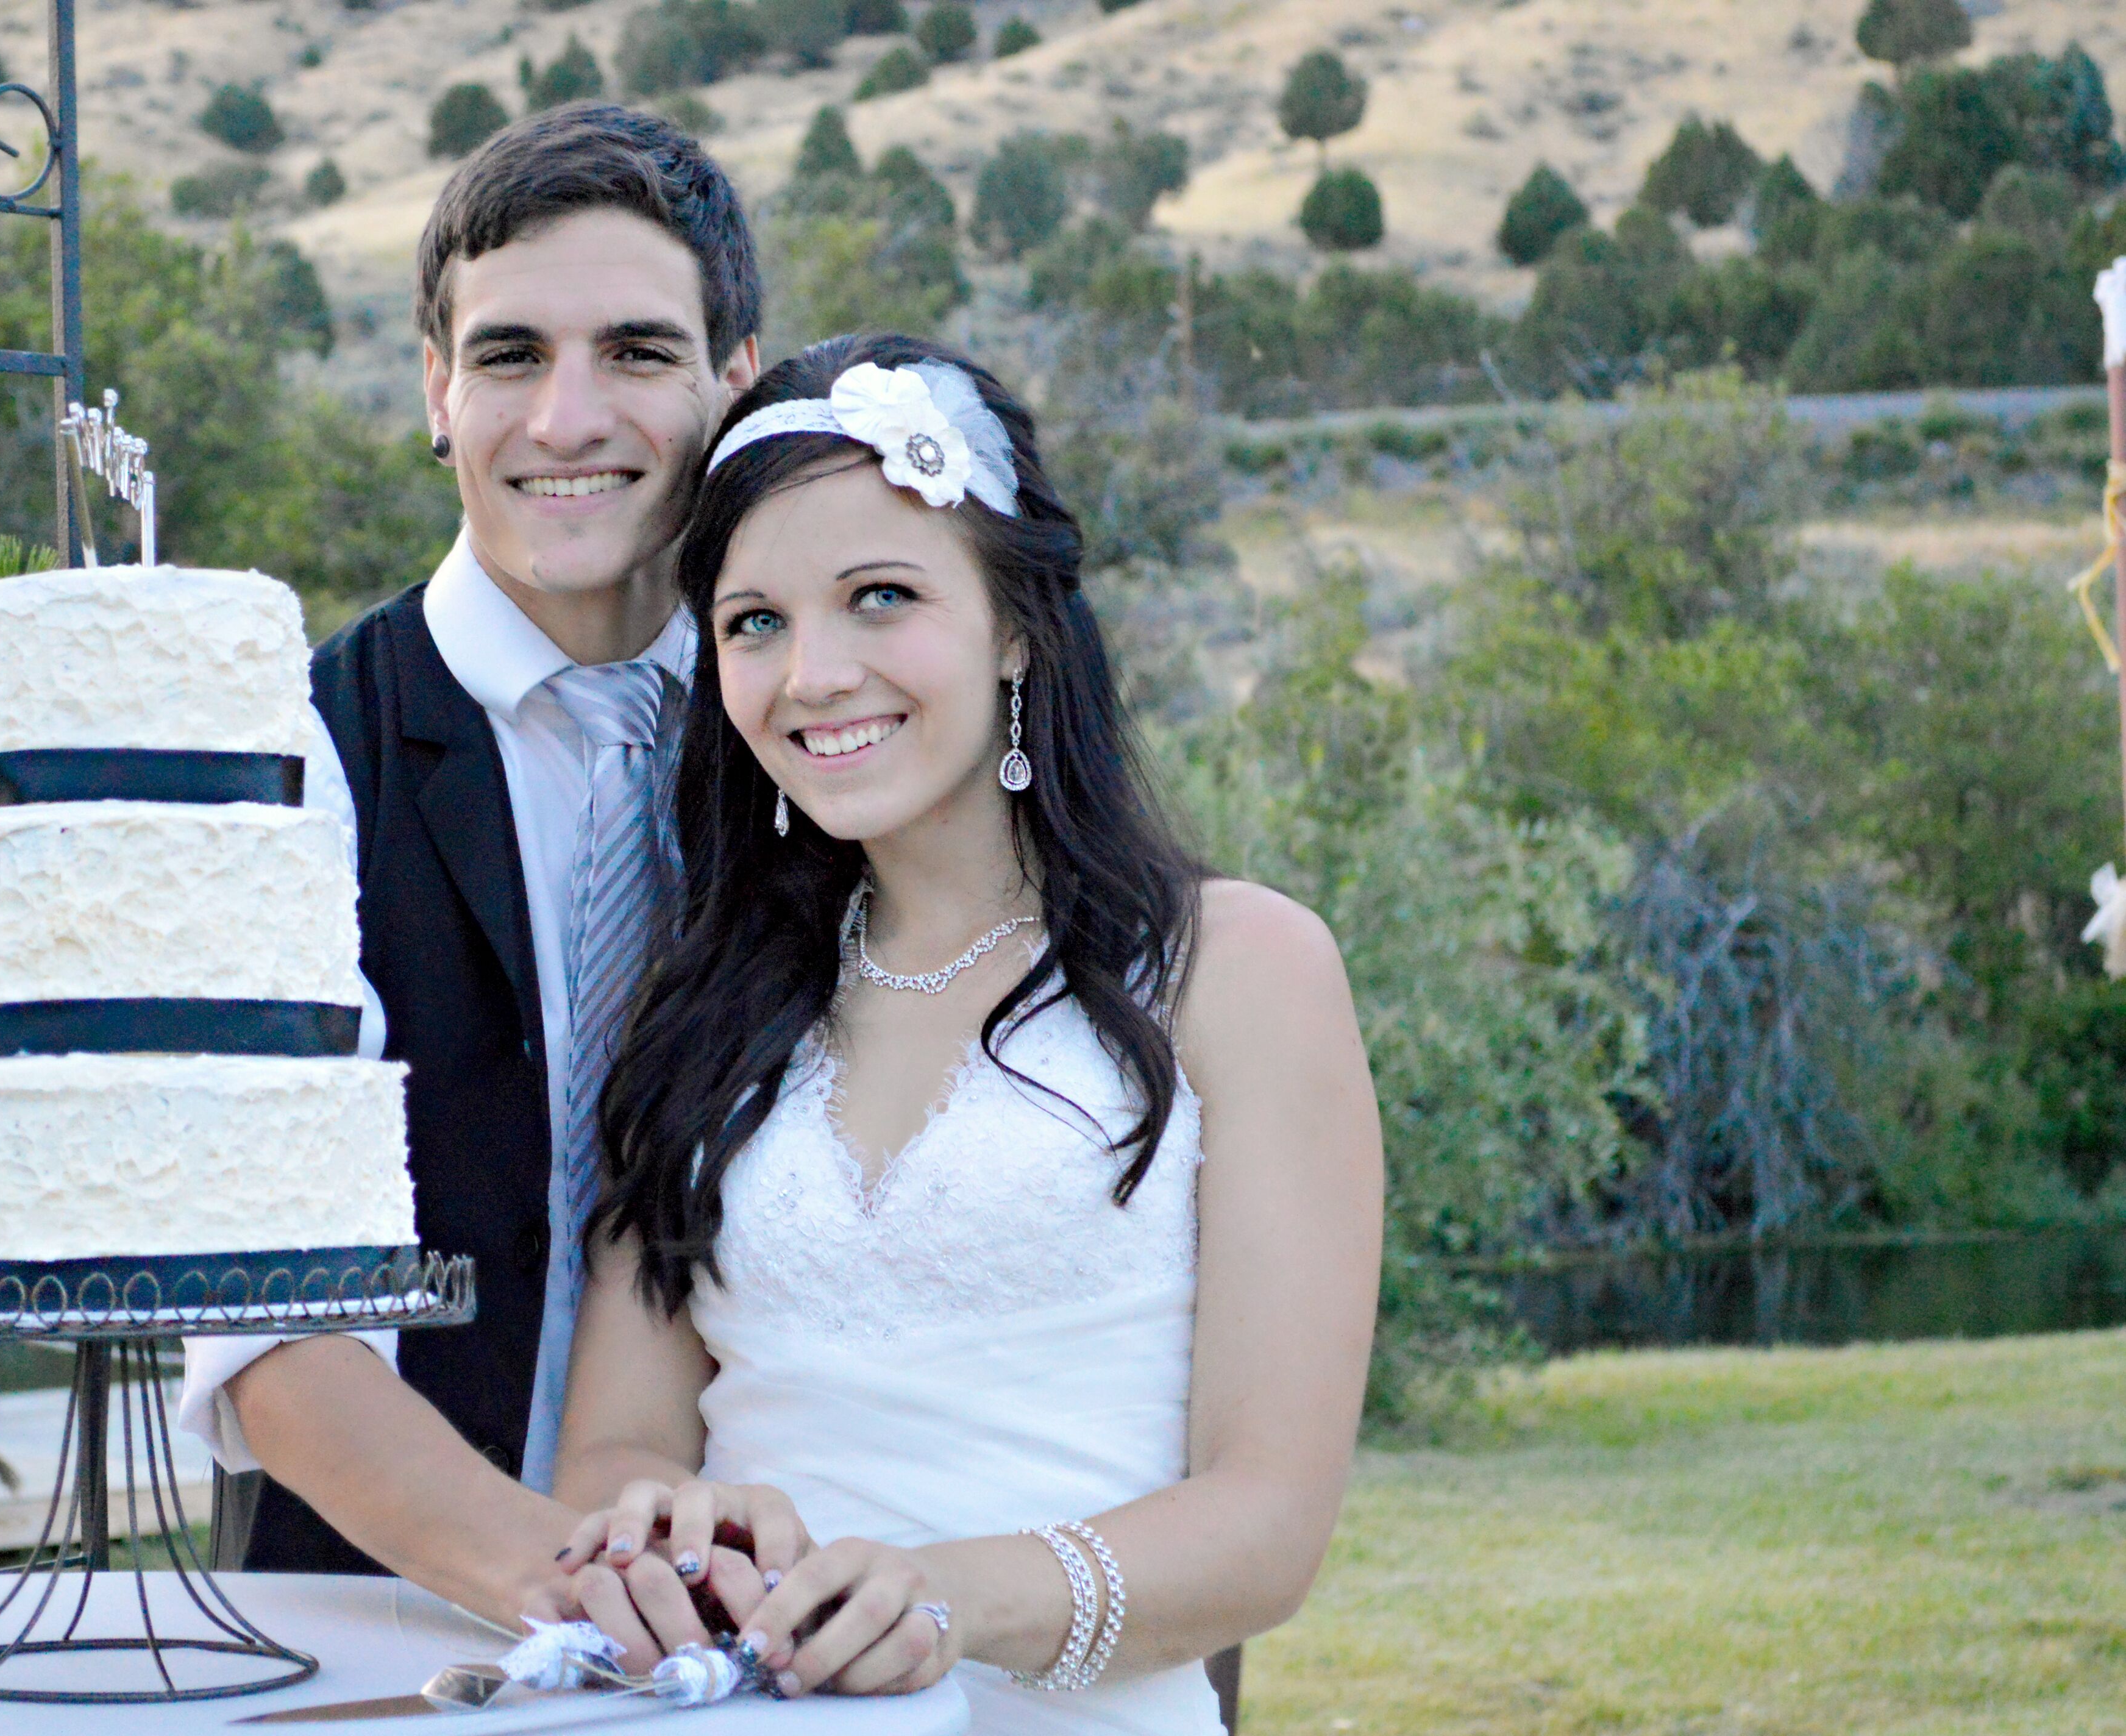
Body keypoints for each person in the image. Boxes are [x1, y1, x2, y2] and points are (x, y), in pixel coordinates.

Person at [546, 333, 1387, 1730]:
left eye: (880, 597)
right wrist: (661, 1529)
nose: (811, 672)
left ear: (1017, 624)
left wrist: (938, 1599)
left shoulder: (1240, 969)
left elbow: (1269, 1524)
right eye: (754, 622)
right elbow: (617, 1447)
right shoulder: (699, 1006)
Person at [175, 102, 767, 1639]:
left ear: (735, 386)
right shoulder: (287, 765)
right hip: (381, 1621)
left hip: (789, 1612)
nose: (567, 419)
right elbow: (271, 1327)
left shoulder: (833, 746)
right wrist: (585, 1594)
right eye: (509, 356)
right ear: (436, 391)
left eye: (637, 353)